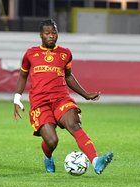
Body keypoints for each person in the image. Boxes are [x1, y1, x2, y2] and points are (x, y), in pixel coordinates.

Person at [13, 19, 113, 175]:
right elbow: (22, 76)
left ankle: (95, 161)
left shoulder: (65, 53)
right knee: (52, 141)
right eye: (47, 33)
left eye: (54, 32)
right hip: (40, 102)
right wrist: (17, 98)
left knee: (74, 124)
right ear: (41, 35)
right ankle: (48, 156)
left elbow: (68, 76)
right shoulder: (30, 54)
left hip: (61, 98)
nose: (51, 36)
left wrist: (85, 94)